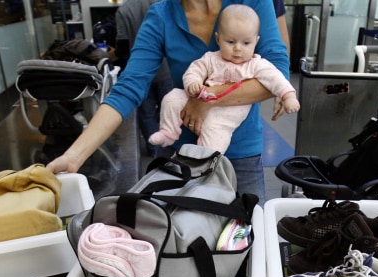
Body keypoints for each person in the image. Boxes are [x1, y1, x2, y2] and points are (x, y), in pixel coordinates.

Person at [46, 0, 290, 203]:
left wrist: (208, 99)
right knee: (182, 242)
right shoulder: (162, 15)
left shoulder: (251, 3)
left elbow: (277, 72)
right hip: (181, 153)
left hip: (241, 154)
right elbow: (130, 86)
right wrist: (76, 155)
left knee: (248, 240)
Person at [148, 4, 300, 153]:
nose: (238, 48)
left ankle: (203, 160)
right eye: (231, 42)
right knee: (172, 97)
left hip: (226, 115)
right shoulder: (211, 58)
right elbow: (194, 70)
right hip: (197, 96)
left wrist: (289, 96)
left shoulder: (257, 65)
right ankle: (168, 132)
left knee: (216, 134)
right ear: (218, 39)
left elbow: (276, 79)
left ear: (256, 41)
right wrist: (192, 83)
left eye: (246, 43)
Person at [114, 0, 175, 159]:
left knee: (147, 115)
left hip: (140, 74)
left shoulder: (125, 10)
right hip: (167, 69)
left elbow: (122, 46)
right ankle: (175, 150)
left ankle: (155, 153)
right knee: (171, 111)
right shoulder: (164, 5)